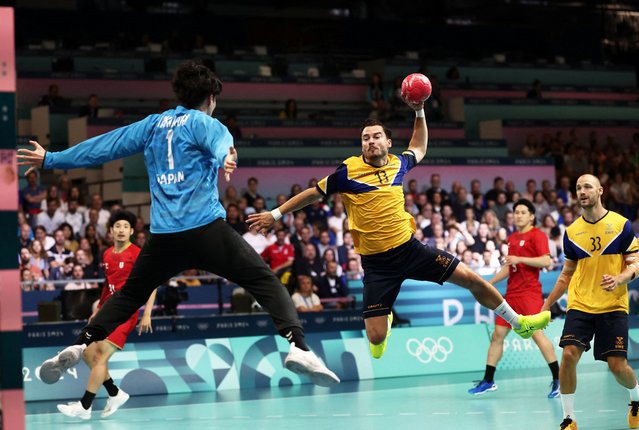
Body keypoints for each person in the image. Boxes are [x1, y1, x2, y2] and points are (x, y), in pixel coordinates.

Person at [18, 60, 339, 388]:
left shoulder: (152, 125)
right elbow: (223, 145)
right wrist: (227, 157)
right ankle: (299, 347)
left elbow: (103, 148)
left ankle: (80, 343)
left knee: (129, 295)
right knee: (265, 282)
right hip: (205, 231)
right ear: (211, 99)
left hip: (163, 237)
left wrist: (51, 159)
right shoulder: (205, 123)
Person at [247, 95, 551, 360]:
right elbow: (313, 192)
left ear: (387, 142)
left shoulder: (398, 163)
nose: (370, 141)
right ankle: (385, 322)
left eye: (376, 136)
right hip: (378, 265)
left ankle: (519, 323)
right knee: (376, 338)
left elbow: (419, 146)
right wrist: (275, 214)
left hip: (410, 250)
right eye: (365, 138)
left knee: (472, 279)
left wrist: (419, 111)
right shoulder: (347, 171)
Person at [541, 174, 639, 430]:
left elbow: (636, 263)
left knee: (618, 368)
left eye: (587, 187)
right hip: (581, 304)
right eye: (577, 188)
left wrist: (620, 278)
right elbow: (566, 274)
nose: (582, 191)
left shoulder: (621, 225)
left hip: (613, 305)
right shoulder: (572, 232)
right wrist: (547, 304)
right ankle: (568, 418)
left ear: (600, 191)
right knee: (569, 355)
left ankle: (636, 397)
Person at [57, 211, 157, 420]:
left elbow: (152, 282)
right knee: (87, 354)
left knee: (100, 356)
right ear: (111, 231)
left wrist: (147, 313)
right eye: (117, 226)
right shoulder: (107, 254)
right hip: (108, 310)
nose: (121, 230)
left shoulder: (138, 253)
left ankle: (84, 407)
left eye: (125, 227)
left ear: (131, 231)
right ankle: (115, 393)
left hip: (127, 312)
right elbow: (108, 286)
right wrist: (98, 311)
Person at [468, 199, 560, 398]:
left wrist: (520, 259)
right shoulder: (512, 237)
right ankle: (488, 381)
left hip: (530, 294)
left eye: (522, 212)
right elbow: (510, 267)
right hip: (511, 296)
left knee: (537, 335)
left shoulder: (538, 235)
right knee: (497, 336)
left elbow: (546, 260)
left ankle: (558, 380)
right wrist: (489, 284)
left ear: (531, 216)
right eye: (516, 212)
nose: (518, 215)